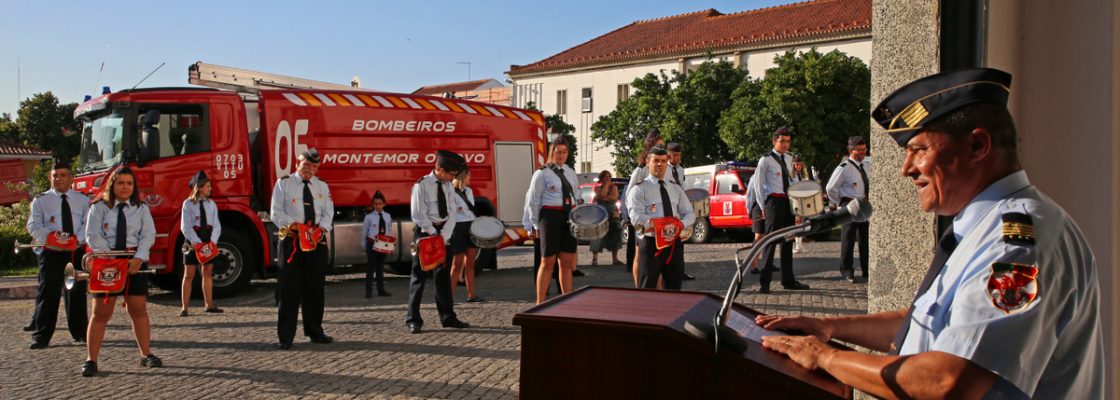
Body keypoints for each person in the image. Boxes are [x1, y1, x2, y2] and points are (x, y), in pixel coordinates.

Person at [758, 68, 1103, 399]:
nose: (906, 169)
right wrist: (830, 328)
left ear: (977, 146)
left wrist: (824, 357)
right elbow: (928, 327)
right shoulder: (982, 228)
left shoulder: (1013, 245)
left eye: (919, 150)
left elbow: (949, 380)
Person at [82, 167, 160, 376]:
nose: (125, 187)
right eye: (120, 183)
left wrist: (139, 258)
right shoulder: (98, 207)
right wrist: (111, 260)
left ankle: (146, 355)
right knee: (100, 313)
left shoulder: (141, 208)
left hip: (134, 262)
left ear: (133, 187)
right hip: (106, 263)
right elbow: (92, 235)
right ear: (112, 185)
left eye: (129, 183)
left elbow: (148, 234)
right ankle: (91, 360)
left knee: (138, 310)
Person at [269, 148, 335, 349]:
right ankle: (286, 337)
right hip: (292, 242)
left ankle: (315, 331)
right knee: (289, 290)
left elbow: (328, 212)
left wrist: (321, 228)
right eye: (307, 165)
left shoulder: (322, 186)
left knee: (315, 289)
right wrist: (294, 225)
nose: (310, 170)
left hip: (316, 242)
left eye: (314, 166)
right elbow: (275, 213)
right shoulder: (284, 184)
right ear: (298, 163)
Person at [26, 157, 89, 349]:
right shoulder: (41, 201)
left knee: (77, 292)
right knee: (49, 292)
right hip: (52, 252)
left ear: (71, 178)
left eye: (63, 175)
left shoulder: (83, 199)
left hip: (75, 252)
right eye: (55, 176)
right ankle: (42, 336)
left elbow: (88, 224)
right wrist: (54, 237)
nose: (59, 179)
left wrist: (75, 240)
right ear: (49, 177)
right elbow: (33, 226)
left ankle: (80, 332)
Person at [407, 150, 470, 333]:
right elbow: (418, 214)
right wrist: (433, 234)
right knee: (418, 276)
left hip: (443, 234)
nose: (453, 178)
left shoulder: (448, 186)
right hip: (426, 232)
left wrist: (444, 236)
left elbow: (452, 212)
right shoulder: (422, 185)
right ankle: (413, 319)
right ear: (440, 169)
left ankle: (448, 316)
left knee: (442, 276)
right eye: (451, 174)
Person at [626, 146, 695, 290]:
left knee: (674, 288)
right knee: (647, 289)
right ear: (647, 162)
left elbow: (690, 213)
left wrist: (680, 224)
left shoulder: (675, 189)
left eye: (663, 161)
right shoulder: (639, 189)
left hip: (674, 243)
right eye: (656, 161)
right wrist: (659, 225)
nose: (660, 164)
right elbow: (636, 218)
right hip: (651, 243)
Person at [754, 127, 810, 293]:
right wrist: (762, 206)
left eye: (788, 141)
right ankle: (765, 283)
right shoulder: (765, 160)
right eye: (782, 141)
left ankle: (788, 280)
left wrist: (798, 208)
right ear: (774, 141)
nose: (785, 144)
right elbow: (758, 185)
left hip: (788, 202)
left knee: (788, 240)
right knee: (770, 241)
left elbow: (793, 183)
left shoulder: (790, 158)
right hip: (774, 202)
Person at [527, 136, 581, 304]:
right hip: (549, 217)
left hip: (568, 217)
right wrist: (534, 224)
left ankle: (567, 302)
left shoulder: (571, 172)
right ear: (552, 152)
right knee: (547, 261)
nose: (561, 155)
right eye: (558, 152)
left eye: (565, 152)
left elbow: (577, 195)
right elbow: (533, 200)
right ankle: (539, 302)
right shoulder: (542, 173)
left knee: (566, 263)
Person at [825, 137, 871, 283]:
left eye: (865, 149)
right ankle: (846, 270)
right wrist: (840, 202)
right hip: (849, 203)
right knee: (848, 238)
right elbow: (830, 188)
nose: (863, 152)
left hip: (863, 204)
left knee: (865, 238)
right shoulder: (844, 168)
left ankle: (867, 270)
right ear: (851, 150)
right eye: (860, 150)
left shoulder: (867, 166)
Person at [179, 171, 223, 316]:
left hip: (208, 242)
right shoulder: (188, 204)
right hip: (193, 242)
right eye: (208, 186)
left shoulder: (212, 204)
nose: (210, 189)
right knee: (189, 274)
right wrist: (197, 244)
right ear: (200, 187)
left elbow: (216, 225)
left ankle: (209, 304)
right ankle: (185, 307)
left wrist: (212, 243)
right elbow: (185, 226)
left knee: (207, 272)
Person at [628, 130, 665, 286]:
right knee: (640, 254)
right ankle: (640, 287)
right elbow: (630, 193)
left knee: (659, 254)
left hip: (659, 218)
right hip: (643, 219)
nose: (662, 148)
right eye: (660, 145)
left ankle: (658, 286)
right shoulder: (641, 169)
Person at [449, 168, 483, 303]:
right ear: (462, 176)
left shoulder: (469, 191)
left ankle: (472, 294)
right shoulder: (450, 191)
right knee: (456, 264)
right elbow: (450, 211)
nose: (471, 177)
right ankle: (449, 297)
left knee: (470, 262)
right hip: (458, 227)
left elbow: (470, 210)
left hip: (470, 226)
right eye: (469, 175)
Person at [666, 142, 696, 281]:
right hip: (668, 207)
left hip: (679, 207)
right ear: (669, 155)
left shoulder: (681, 170)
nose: (678, 158)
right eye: (675, 155)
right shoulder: (664, 169)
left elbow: (682, 188)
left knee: (680, 241)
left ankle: (680, 271)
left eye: (679, 155)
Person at [359, 191, 392, 298]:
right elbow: (364, 232)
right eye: (376, 204)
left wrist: (389, 243)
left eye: (380, 204)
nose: (378, 206)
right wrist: (364, 245)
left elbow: (389, 229)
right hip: (372, 244)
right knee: (371, 268)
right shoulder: (369, 217)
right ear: (373, 205)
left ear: (384, 204)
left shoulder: (387, 216)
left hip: (383, 244)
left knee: (380, 268)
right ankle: (368, 292)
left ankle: (381, 290)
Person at [589, 170, 622, 266]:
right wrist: (606, 187)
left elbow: (614, 198)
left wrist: (604, 197)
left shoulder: (614, 187)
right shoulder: (597, 188)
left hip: (612, 213)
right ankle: (594, 259)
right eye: (605, 176)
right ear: (602, 178)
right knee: (597, 235)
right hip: (600, 214)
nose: (607, 178)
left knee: (615, 234)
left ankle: (615, 259)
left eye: (609, 176)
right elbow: (602, 195)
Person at [745, 171, 769, 275]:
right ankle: (754, 265)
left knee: (770, 236)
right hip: (758, 207)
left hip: (770, 206)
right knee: (759, 236)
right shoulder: (755, 177)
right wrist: (750, 210)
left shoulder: (773, 176)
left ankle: (768, 263)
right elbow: (750, 196)